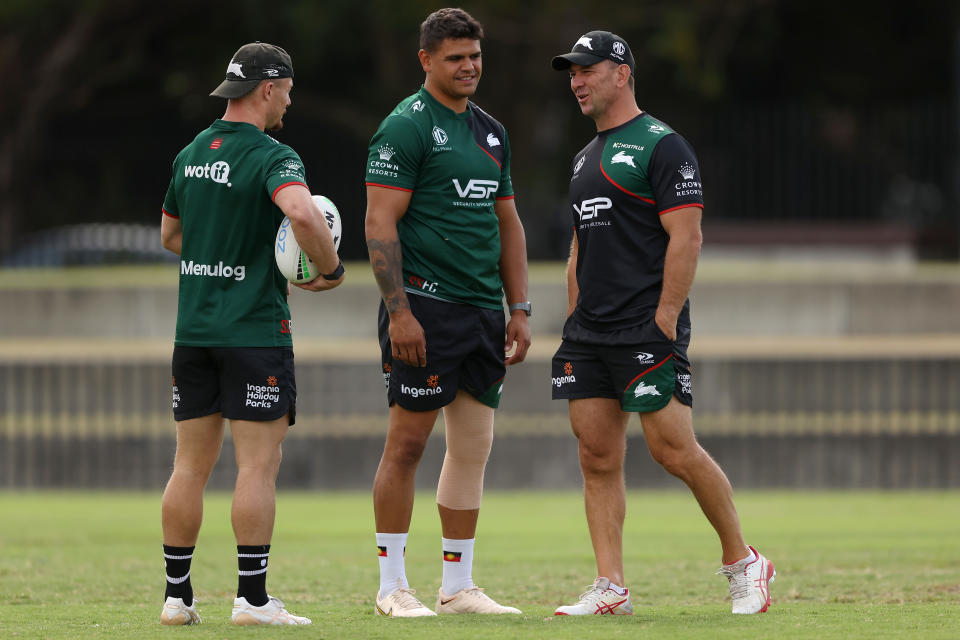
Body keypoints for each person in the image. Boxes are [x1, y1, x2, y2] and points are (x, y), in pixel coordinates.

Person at [548, 31, 775, 616]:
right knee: (596, 456)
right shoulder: (582, 158)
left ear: (622, 73)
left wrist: (666, 317)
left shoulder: (663, 145)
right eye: (572, 73)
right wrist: (572, 319)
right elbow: (579, 245)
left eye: (587, 70)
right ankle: (611, 586)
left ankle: (744, 562)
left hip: (645, 328)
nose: (577, 81)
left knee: (672, 449)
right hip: (589, 333)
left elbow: (687, 235)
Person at [158, 41, 344, 627]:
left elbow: (169, 236)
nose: (289, 100)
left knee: (189, 467)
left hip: (193, 333)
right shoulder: (272, 155)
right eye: (287, 90)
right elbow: (304, 214)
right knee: (256, 467)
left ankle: (176, 597)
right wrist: (329, 269)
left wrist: (221, 252)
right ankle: (253, 600)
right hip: (254, 333)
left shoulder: (191, 153)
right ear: (268, 88)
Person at [364, 8, 531, 618]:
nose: (469, 67)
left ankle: (457, 586)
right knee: (406, 446)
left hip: (484, 312)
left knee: (472, 450)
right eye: (456, 57)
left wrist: (519, 308)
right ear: (426, 60)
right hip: (424, 307)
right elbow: (379, 224)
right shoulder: (405, 127)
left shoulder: (491, 132)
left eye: (475, 56)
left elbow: (506, 222)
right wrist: (400, 313)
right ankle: (391, 586)